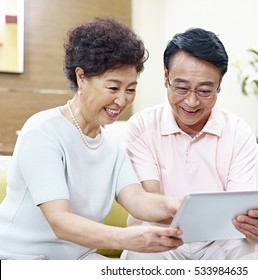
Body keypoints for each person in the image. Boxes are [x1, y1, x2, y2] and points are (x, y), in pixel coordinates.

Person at [0, 17, 183, 260]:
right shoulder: (42, 132)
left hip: (79, 260)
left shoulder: (113, 146)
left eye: (130, 89)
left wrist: (173, 206)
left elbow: (137, 199)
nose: (122, 100)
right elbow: (60, 221)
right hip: (20, 259)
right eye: (112, 88)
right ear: (81, 77)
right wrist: (130, 239)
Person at [121, 27, 258, 260]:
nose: (192, 101)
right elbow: (149, 204)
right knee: (142, 256)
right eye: (182, 87)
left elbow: (238, 208)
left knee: (257, 253)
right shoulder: (141, 126)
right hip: (161, 235)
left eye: (205, 90)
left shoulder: (238, 131)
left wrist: (253, 225)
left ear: (219, 86)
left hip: (221, 240)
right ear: (166, 77)